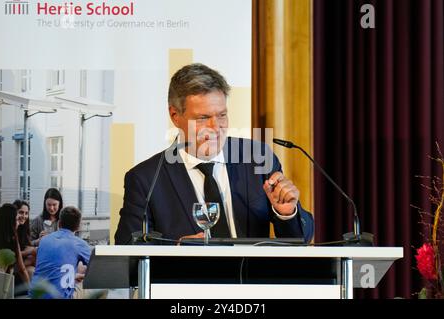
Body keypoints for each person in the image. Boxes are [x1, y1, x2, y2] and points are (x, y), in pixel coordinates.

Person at [114, 63, 314, 244]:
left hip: (252, 282)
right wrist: (175, 250)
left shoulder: (257, 158)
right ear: (175, 116)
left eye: (222, 115)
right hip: (187, 283)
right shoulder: (146, 178)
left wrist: (286, 213)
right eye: (203, 118)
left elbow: (299, 239)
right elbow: (128, 246)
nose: (215, 127)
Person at [29, 206, 92, 299]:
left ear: (59, 223)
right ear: (78, 226)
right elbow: (96, 269)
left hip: (35, 296)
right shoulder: (80, 244)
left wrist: (73, 275)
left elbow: (52, 269)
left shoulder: (44, 240)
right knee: (100, 290)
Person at [0, 203, 30, 284]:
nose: (18, 223)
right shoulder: (13, 239)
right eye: (16, 219)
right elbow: (22, 269)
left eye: (26, 213)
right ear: (10, 221)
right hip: (5, 283)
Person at [12, 200, 37, 278]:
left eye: (26, 213)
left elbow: (26, 247)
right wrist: (29, 252)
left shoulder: (24, 229)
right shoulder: (10, 229)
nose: (24, 216)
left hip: (23, 263)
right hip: (12, 266)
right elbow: (11, 254)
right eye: (21, 212)